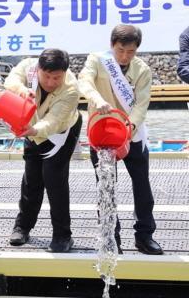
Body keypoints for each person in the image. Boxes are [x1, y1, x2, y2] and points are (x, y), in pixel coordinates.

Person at [78, 24, 163, 255]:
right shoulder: (97, 60)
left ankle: (144, 235)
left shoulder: (142, 70)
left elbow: (141, 104)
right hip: (103, 133)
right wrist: (97, 99)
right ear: (112, 45)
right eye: (120, 50)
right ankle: (110, 237)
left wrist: (129, 128)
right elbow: (84, 82)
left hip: (132, 135)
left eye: (131, 52)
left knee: (142, 186)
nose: (125, 56)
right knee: (106, 187)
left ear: (137, 50)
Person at [4, 49, 81, 253]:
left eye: (56, 77)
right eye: (46, 76)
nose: (50, 82)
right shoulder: (28, 67)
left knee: (54, 179)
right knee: (32, 179)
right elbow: (10, 81)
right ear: (38, 69)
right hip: (30, 127)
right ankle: (22, 227)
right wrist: (22, 90)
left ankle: (63, 235)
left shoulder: (72, 89)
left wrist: (34, 130)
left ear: (65, 72)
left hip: (60, 132)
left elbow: (53, 121)